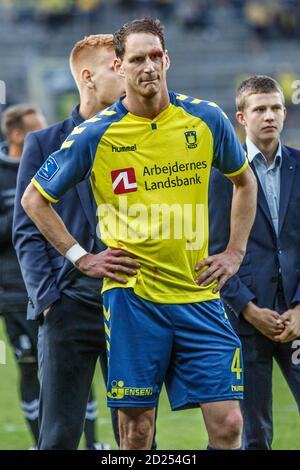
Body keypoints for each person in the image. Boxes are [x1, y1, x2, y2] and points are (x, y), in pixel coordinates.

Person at [21, 18, 257, 450]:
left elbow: (244, 180)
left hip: (198, 295)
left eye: (154, 56)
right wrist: (81, 257)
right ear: (120, 65)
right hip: (132, 301)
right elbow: (34, 199)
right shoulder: (95, 133)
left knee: (229, 425)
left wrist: (235, 252)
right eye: (136, 59)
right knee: (136, 433)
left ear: (167, 59)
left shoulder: (205, 118)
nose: (148, 66)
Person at [13, 35, 125, 450]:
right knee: (59, 434)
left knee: (135, 434)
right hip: (68, 305)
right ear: (88, 77)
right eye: (117, 65)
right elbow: (26, 228)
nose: (127, 70)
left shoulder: (140, 137)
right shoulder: (44, 143)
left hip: (130, 303)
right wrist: (47, 299)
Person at [208, 75, 300, 449]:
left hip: (295, 316)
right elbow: (212, 252)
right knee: (255, 433)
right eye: (259, 109)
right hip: (245, 323)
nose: (270, 116)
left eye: (276, 107)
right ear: (241, 118)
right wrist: (247, 307)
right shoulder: (219, 176)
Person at [0, 104, 47, 448]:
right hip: (15, 292)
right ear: (16, 135)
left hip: (55, 285)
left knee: (73, 366)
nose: (44, 136)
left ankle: (92, 443)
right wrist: (26, 208)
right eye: (36, 129)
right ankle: (37, 442)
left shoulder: (53, 166)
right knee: (29, 366)